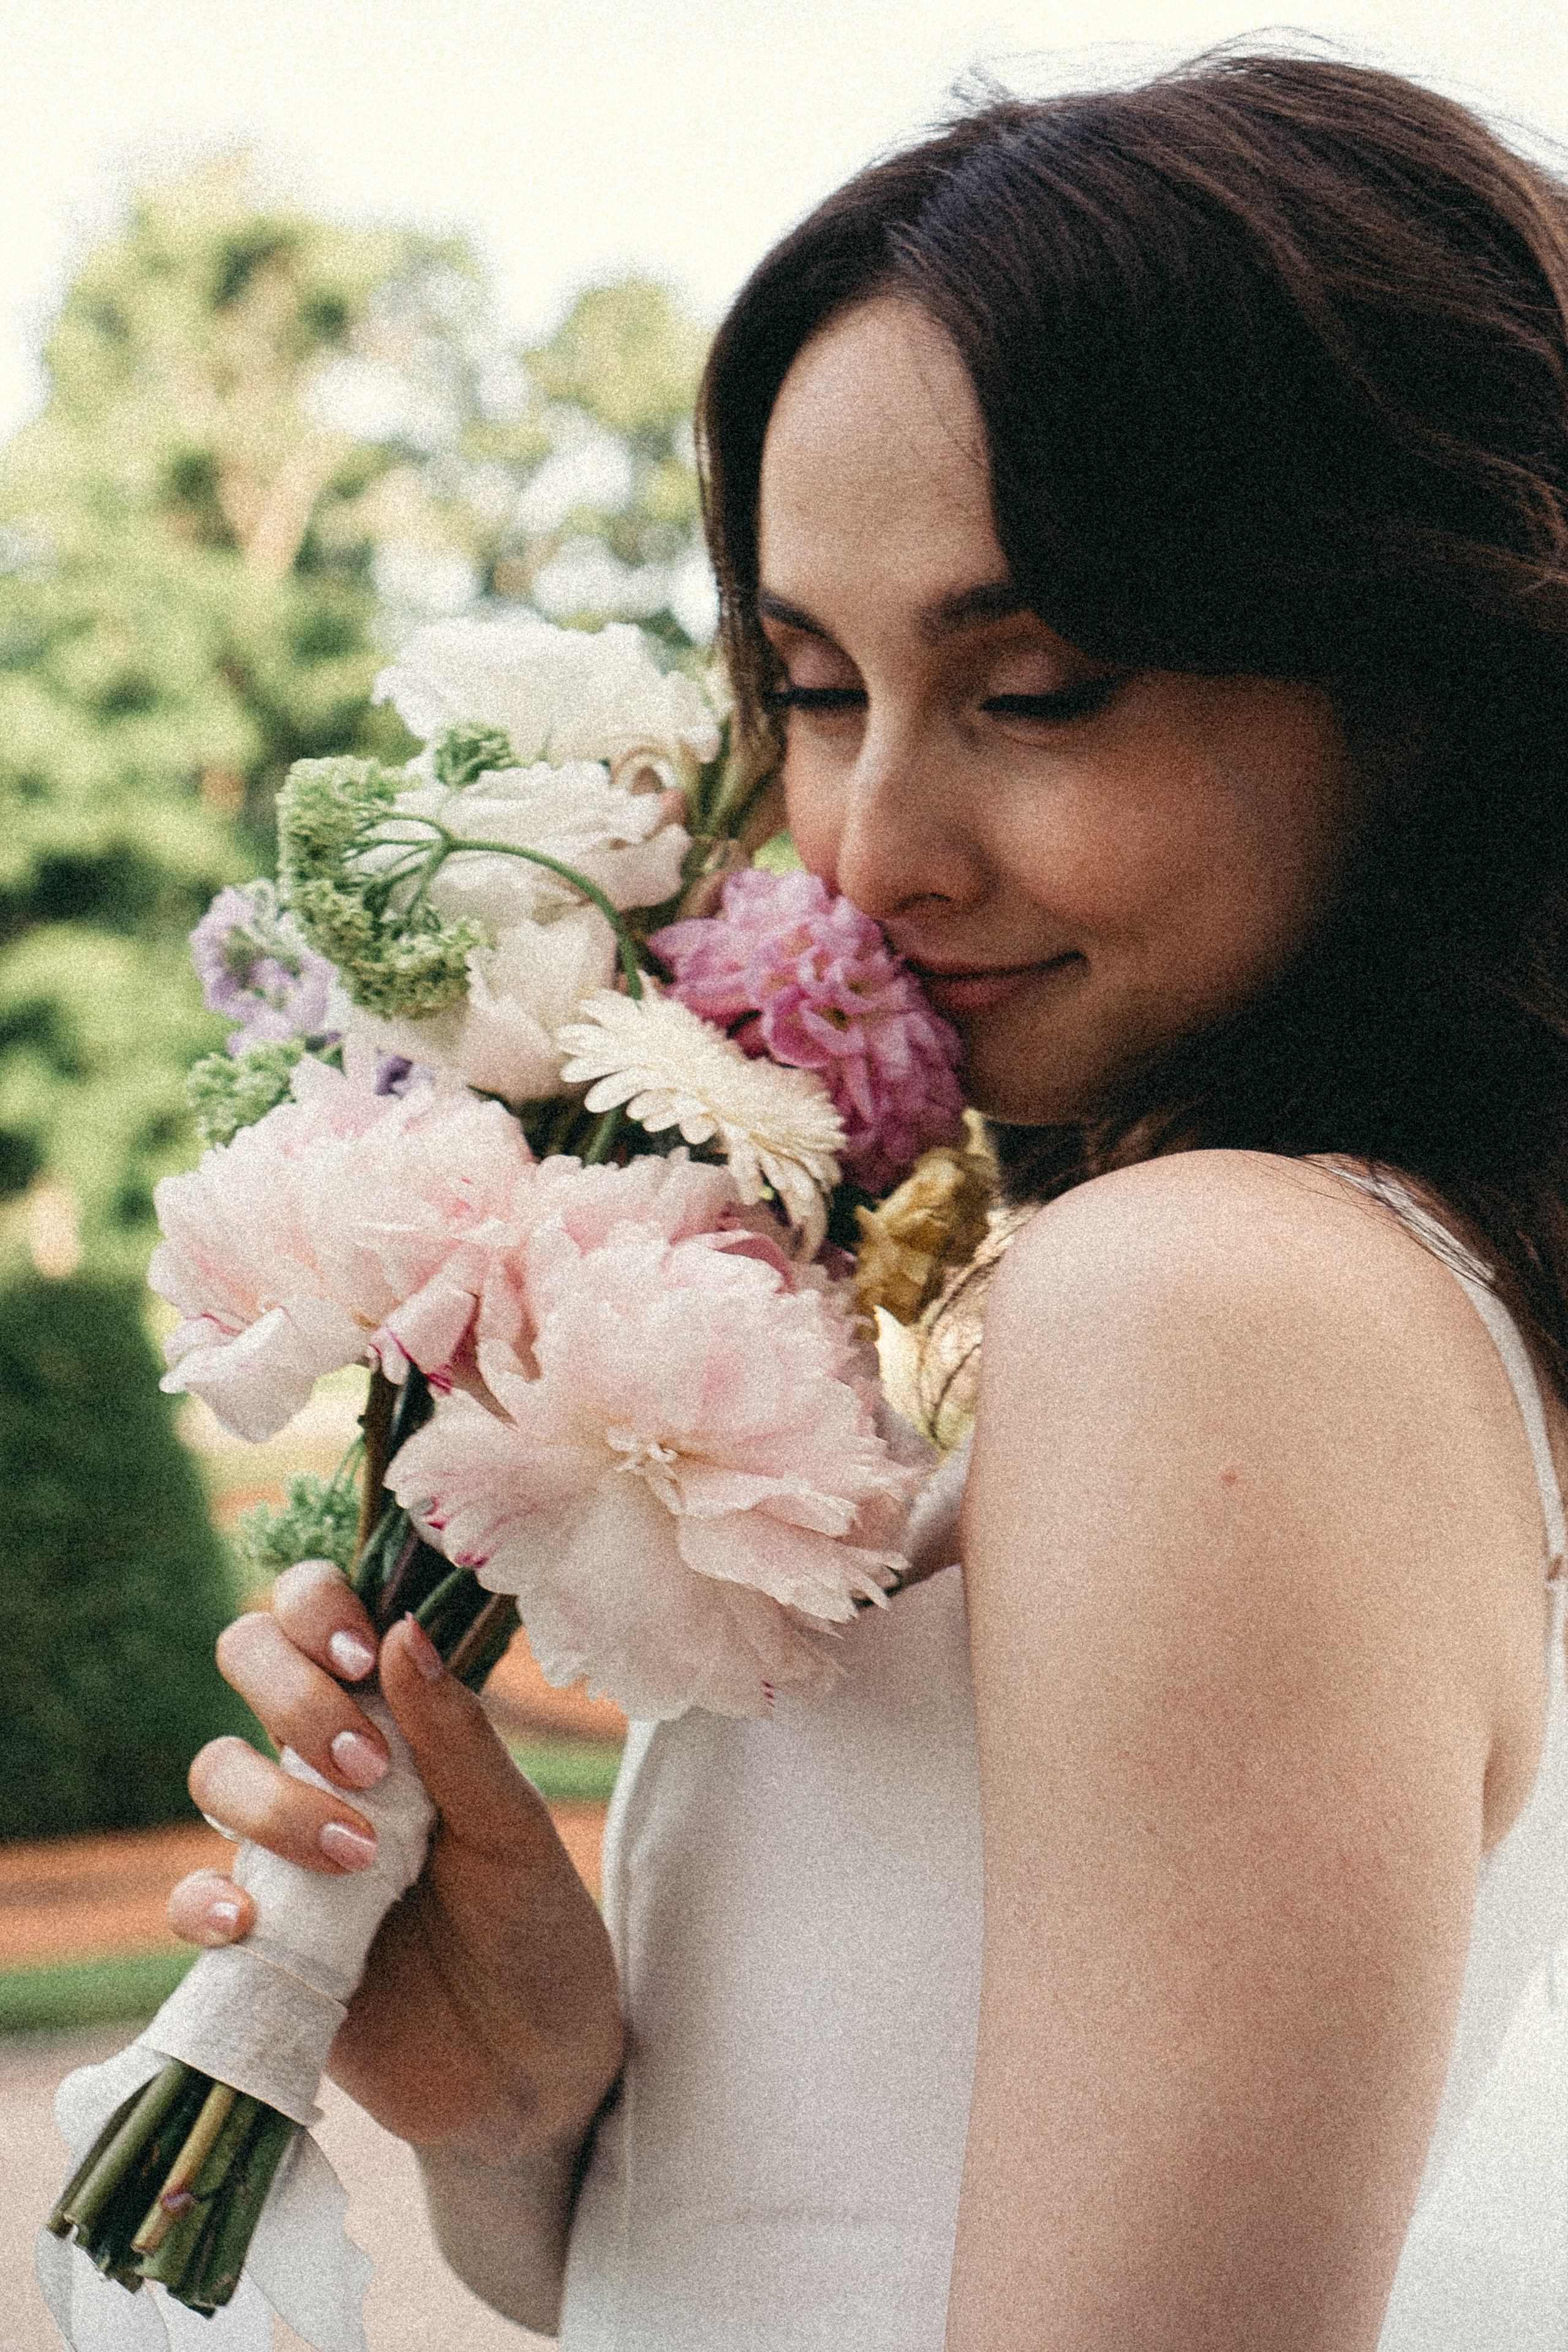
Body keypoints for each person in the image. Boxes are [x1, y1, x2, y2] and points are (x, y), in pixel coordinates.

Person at [169, 48, 1568, 2350]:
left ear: (1417, 687)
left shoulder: (1221, 1300)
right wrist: (529, 2107)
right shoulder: (1346, 1289)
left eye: (1036, 687)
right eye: (814, 686)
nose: (871, 846)